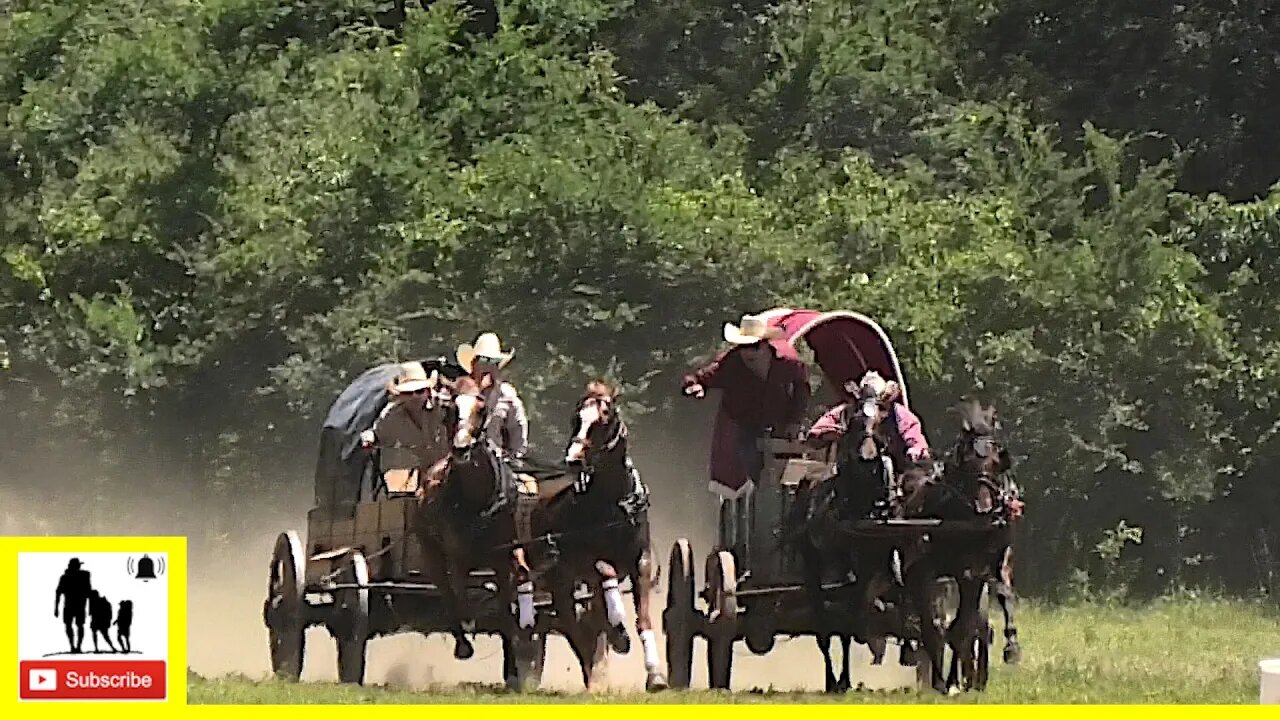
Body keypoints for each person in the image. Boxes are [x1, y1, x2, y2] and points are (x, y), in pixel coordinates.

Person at [682, 312, 810, 558]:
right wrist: (694, 385)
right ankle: (750, 531)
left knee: (796, 477)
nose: (747, 354)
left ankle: (791, 524)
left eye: (753, 347)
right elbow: (702, 377)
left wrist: (794, 421)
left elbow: (802, 389)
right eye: (742, 348)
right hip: (745, 426)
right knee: (752, 471)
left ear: (765, 346)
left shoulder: (788, 361)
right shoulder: (731, 362)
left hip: (781, 426)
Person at [805, 370, 932, 470]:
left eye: (880, 406)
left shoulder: (898, 413)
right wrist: (835, 433)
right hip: (849, 470)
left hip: (893, 468)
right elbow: (816, 432)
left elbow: (914, 433)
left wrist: (916, 449)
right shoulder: (846, 411)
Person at [359, 362, 449, 494]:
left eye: (419, 391)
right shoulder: (391, 415)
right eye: (408, 393)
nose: (414, 397)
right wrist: (369, 438)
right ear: (400, 395)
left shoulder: (445, 408)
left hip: (455, 471)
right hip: (427, 477)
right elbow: (379, 436)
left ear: (428, 391)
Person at [454, 332, 529, 462]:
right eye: (483, 360)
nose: (488, 366)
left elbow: (518, 432)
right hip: (459, 459)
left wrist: (512, 458)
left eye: (494, 361)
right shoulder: (459, 392)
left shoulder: (507, 395)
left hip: (496, 460)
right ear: (473, 363)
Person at [54, 558, 92, 653]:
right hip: (77, 604)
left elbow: (58, 592)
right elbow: (58, 592)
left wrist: (56, 608)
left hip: (74, 605)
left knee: (75, 625)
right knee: (75, 625)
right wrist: (56, 607)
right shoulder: (83, 575)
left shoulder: (68, 577)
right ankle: (75, 646)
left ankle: (75, 646)